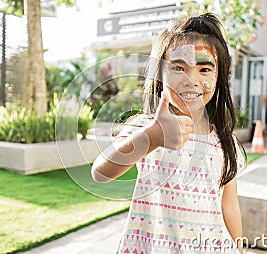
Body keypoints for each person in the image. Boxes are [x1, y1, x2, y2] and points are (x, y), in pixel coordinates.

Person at [92, 13, 246, 254]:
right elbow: (100, 172)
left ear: (218, 78)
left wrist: (239, 249)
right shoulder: (145, 128)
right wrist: (152, 136)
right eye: (178, 67)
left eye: (204, 69)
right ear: (160, 74)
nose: (191, 80)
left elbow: (230, 206)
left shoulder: (226, 144)